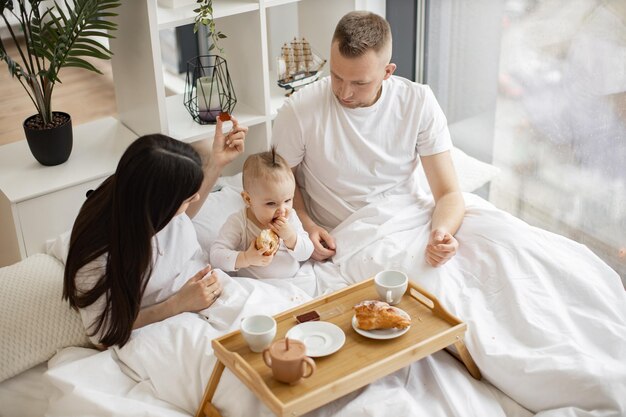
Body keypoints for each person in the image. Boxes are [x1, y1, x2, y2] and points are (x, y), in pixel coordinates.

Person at [272, 11, 462, 266]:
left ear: (387, 72)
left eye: (359, 83)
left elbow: (448, 193)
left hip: (406, 223)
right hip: (339, 236)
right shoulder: (299, 110)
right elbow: (278, 183)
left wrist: (441, 234)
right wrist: (306, 226)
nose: (344, 92)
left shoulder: (418, 102)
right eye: (337, 76)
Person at [63, 117, 247, 348]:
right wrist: (178, 304)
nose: (197, 198)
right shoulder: (98, 259)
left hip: (210, 295)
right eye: (187, 198)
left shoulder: (143, 199)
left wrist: (216, 164)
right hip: (164, 326)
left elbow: (181, 216)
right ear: (160, 205)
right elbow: (104, 333)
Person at [210, 148, 314, 279]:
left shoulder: (291, 218)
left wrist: (291, 238)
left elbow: (307, 252)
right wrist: (246, 258)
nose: (282, 209)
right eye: (271, 203)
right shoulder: (240, 222)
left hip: (292, 281)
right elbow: (216, 255)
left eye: (287, 200)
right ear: (248, 199)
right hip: (256, 286)